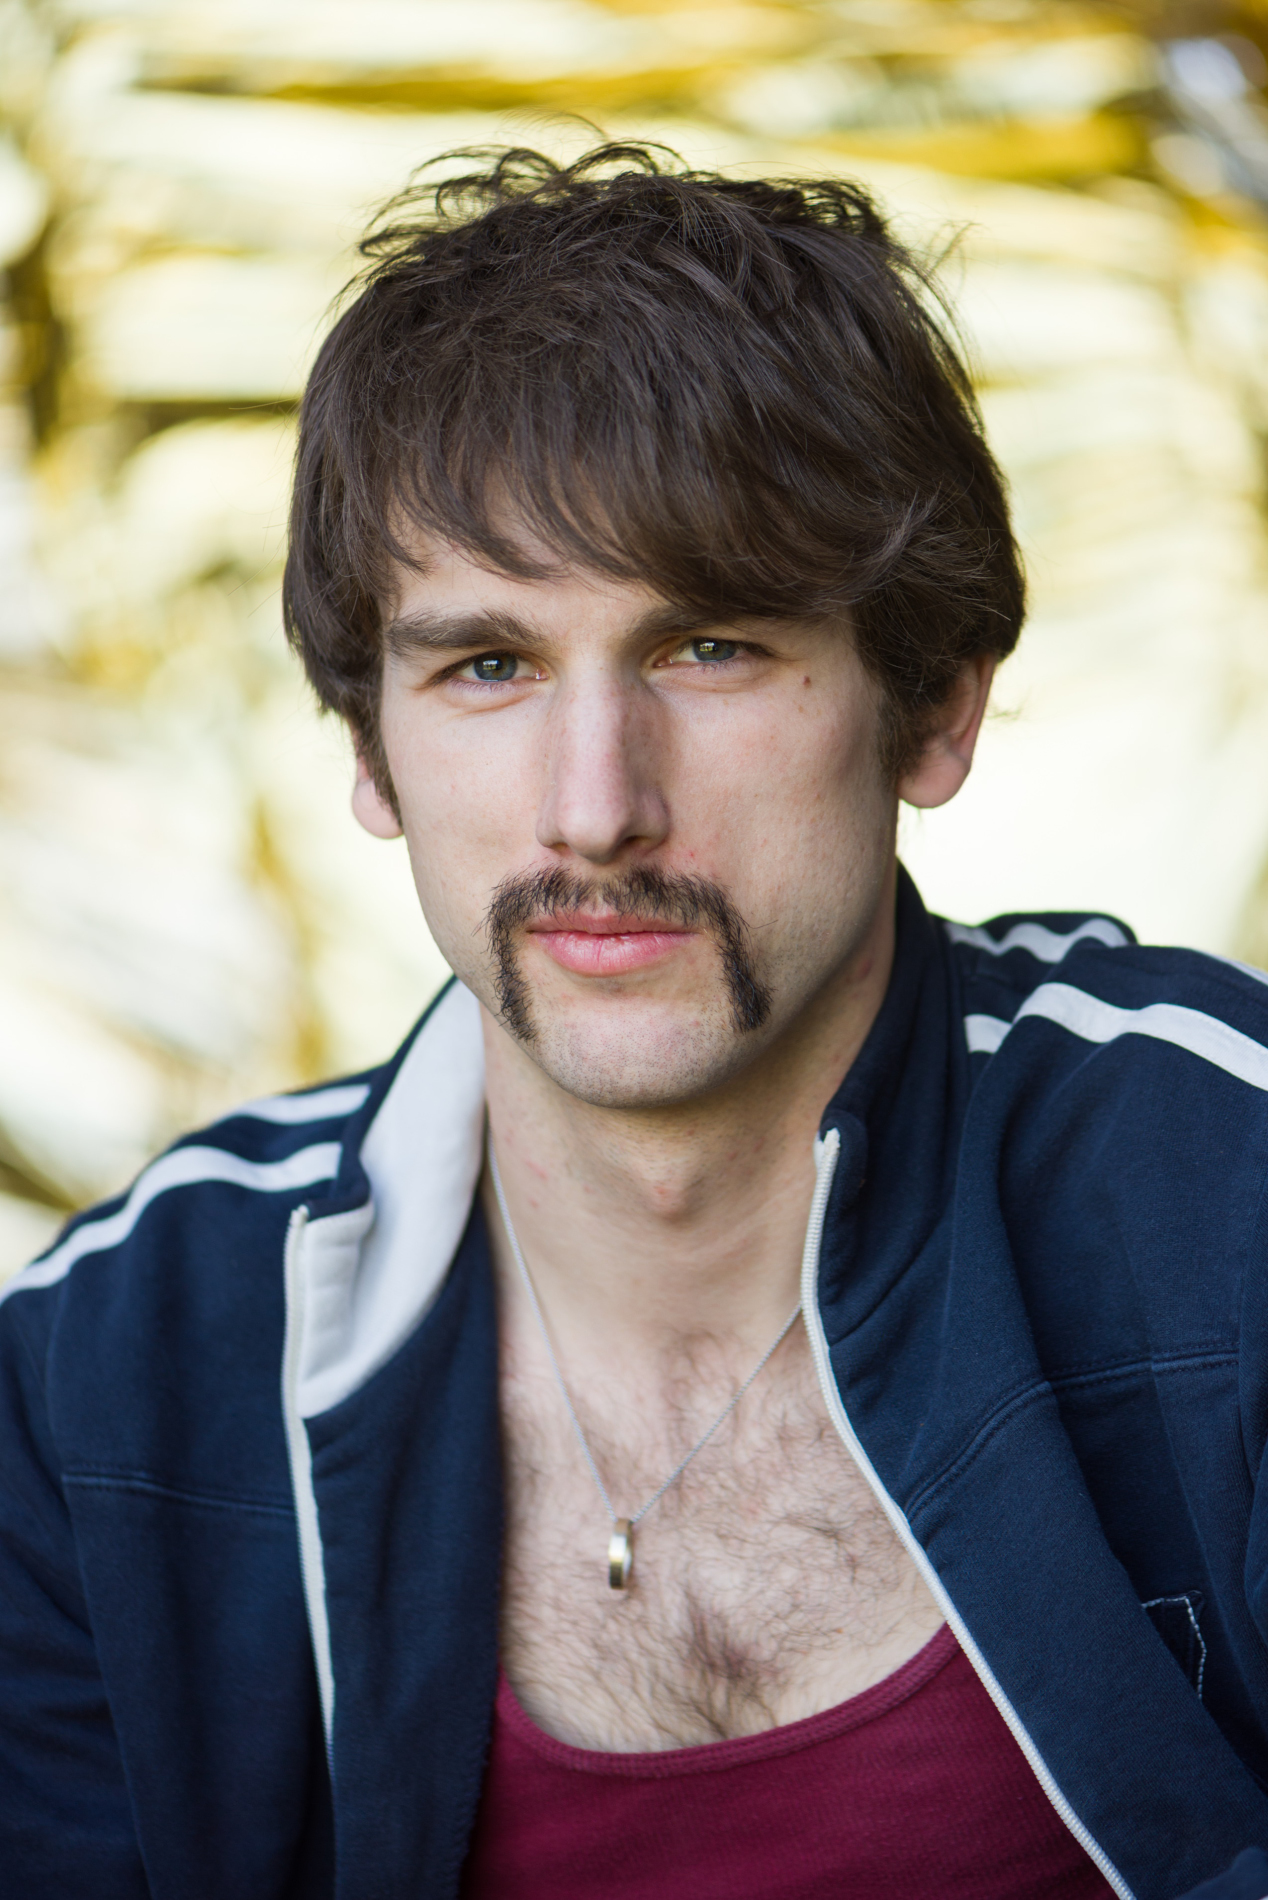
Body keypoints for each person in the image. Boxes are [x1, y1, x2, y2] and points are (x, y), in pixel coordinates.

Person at [2, 143, 1267, 1900]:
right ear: (372, 750)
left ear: (934, 708)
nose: (595, 809)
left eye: (709, 648)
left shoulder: (1227, 1201)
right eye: (488, 666)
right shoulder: (103, 1383)